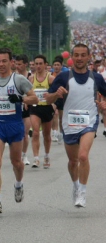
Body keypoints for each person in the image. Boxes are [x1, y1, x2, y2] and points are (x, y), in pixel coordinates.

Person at [47, 43, 106, 208]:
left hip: (89, 121)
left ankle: (82, 191)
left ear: (89, 57)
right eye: (77, 55)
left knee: (83, 156)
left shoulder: (97, 78)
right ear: (72, 57)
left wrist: (104, 105)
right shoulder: (63, 78)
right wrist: (55, 94)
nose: (79, 58)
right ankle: (75, 185)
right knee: (73, 161)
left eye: (83, 55)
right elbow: (48, 98)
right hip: (69, 123)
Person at [0, 47, 38, 214]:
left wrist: (21, 98)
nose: (1, 64)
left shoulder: (19, 80)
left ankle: (18, 184)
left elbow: (34, 99)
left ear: (11, 62)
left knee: (16, 162)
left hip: (14, 125)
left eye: (4, 61)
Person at [28, 55, 55, 169]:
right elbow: (28, 93)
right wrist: (26, 102)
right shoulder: (31, 79)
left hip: (47, 108)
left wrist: (53, 102)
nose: (38, 66)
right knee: (35, 132)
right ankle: (36, 158)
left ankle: (47, 156)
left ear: (45, 65)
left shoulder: (50, 78)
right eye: (36, 64)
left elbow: (55, 94)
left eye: (40, 64)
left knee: (46, 135)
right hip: (35, 108)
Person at [15, 54, 32, 165]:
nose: (17, 66)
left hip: (27, 108)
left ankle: (24, 155)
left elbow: (32, 93)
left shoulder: (30, 76)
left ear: (25, 64)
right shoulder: (13, 76)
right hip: (16, 108)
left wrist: (27, 99)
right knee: (17, 133)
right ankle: (16, 154)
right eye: (16, 64)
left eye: (20, 64)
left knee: (25, 133)